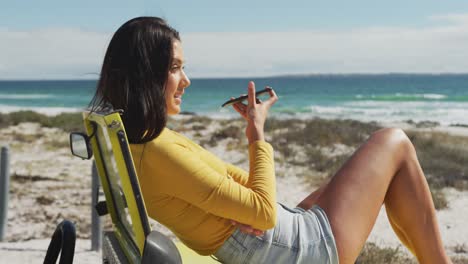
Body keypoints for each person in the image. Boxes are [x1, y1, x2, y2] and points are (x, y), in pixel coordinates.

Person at [90, 16, 452, 264]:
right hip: (296, 253)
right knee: (394, 142)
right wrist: (257, 135)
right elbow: (262, 212)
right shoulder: (159, 151)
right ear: (145, 76)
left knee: (361, 175)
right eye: (174, 68)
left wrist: (245, 209)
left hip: (269, 241)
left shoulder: (141, 141)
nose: (185, 80)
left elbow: (238, 191)